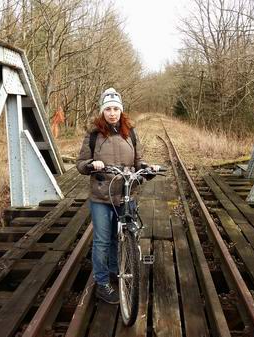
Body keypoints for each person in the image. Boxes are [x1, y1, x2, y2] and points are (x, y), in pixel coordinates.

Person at [76, 87, 158, 304]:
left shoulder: (130, 132)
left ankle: (115, 270)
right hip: (101, 197)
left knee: (118, 237)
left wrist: (147, 169)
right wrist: (92, 164)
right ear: (102, 111)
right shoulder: (94, 134)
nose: (112, 113)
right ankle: (102, 283)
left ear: (121, 111)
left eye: (115, 109)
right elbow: (80, 165)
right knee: (102, 240)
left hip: (126, 193)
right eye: (108, 109)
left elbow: (138, 161)